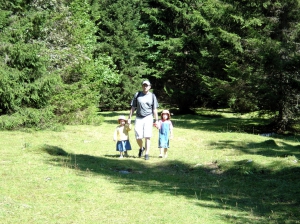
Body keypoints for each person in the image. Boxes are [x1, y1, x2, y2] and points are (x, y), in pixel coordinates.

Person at [128, 80, 159, 160]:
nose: (145, 87)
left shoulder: (152, 96)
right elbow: (133, 107)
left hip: (148, 117)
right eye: (144, 85)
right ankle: (142, 148)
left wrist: (156, 120)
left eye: (147, 85)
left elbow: (154, 109)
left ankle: (147, 154)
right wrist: (129, 118)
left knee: (147, 136)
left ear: (149, 87)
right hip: (139, 117)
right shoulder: (137, 94)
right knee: (138, 137)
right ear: (142, 86)